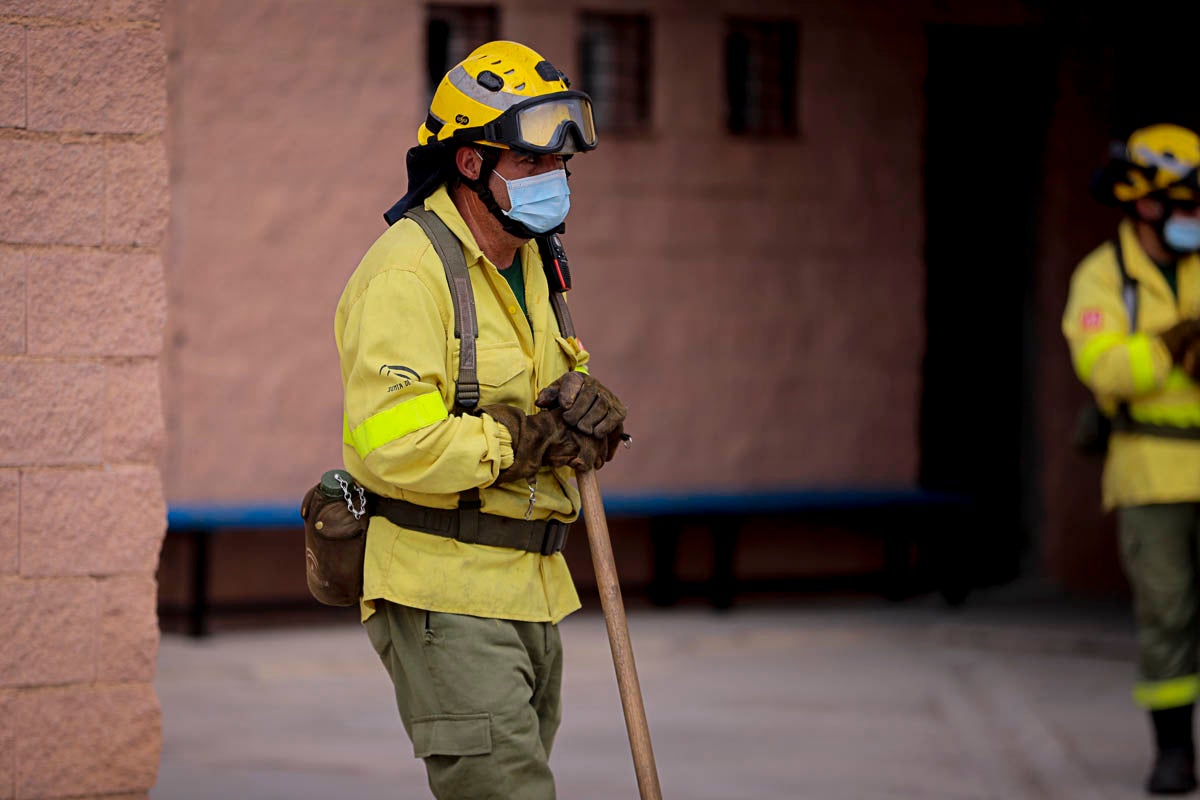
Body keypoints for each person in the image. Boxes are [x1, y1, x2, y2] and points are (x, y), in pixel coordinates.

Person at [334, 41, 626, 799]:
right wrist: (525, 441)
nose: (552, 182)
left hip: (531, 585)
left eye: (560, 165)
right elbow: (394, 446)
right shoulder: (407, 272)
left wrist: (588, 412)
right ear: (469, 163)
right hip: (445, 592)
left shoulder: (531, 260)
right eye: (529, 164)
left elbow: (552, 392)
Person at [1064, 123, 1200, 794]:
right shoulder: (1100, 277)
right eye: (1187, 205)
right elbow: (1104, 368)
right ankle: (1174, 751)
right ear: (1146, 203)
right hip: (1150, 471)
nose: (1196, 218)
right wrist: (1170, 348)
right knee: (1167, 613)